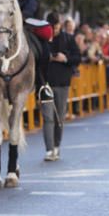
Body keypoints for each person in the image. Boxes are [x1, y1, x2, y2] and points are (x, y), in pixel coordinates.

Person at [42, 12, 80, 161]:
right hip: (46, 84)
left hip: (63, 83)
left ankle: (57, 146)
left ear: (60, 26)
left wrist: (65, 58)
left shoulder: (68, 39)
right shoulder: (43, 40)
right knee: (47, 117)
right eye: (52, 28)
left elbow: (78, 57)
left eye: (56, 27)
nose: (54, 30)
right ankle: (49, 149)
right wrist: (49, 57)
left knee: (59, 118)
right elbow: (37, 58)